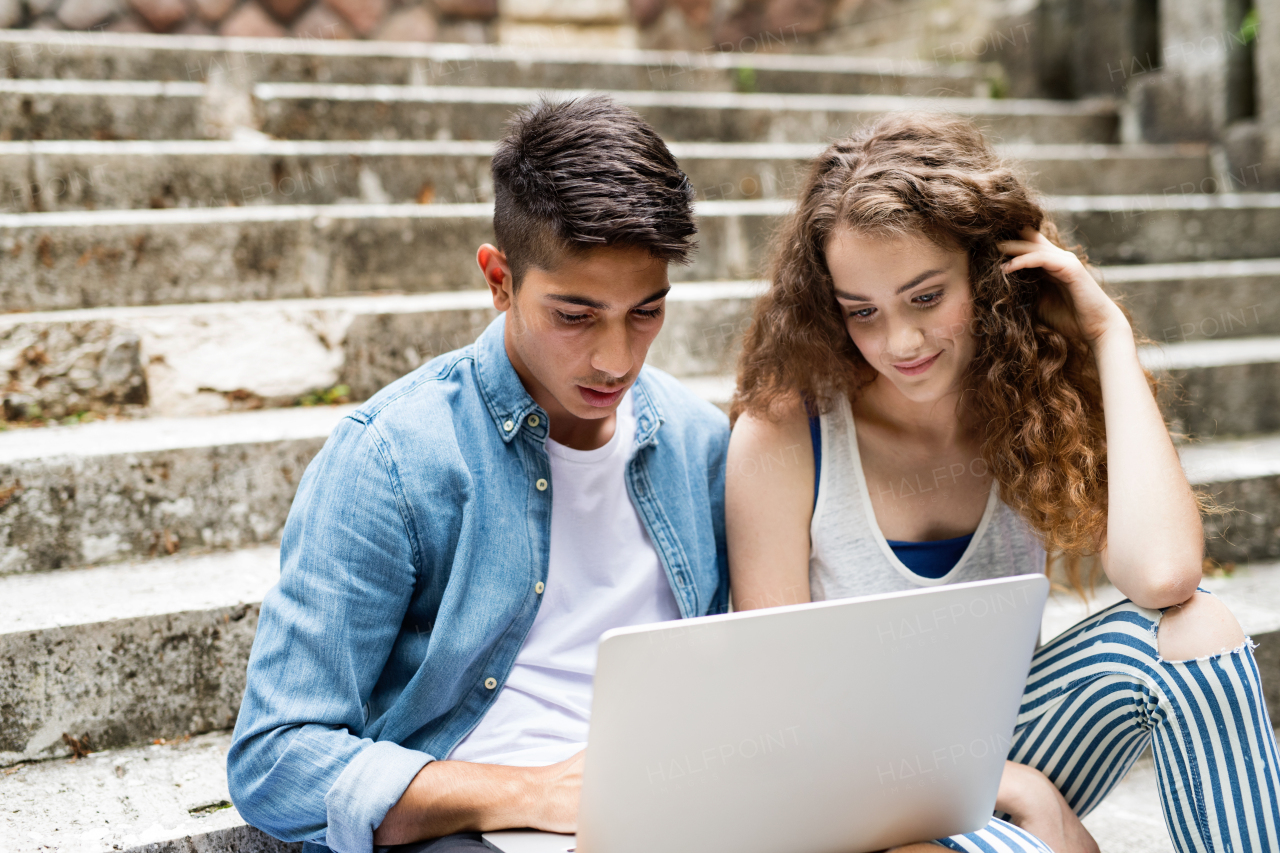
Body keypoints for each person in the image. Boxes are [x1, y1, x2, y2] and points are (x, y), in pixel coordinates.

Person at [726, 111, 1280, 853]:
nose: (902, 342)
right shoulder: (786, 431)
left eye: (926, 297)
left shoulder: (1025, 398)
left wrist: (1107, 333)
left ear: (989, 275)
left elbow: (1165, 573)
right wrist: (1010, 789)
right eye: (863, 312)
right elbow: (782, 712)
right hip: (846, 789)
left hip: (1000, 741)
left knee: (1198, 628)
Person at [226, 95, 730, 853]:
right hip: (484, 830)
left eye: (645, 312)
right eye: (575, 314)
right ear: (499, 280)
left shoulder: (699, 441)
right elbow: (275, 757)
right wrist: (535, 794)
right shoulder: (392, 457)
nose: (616, 359)